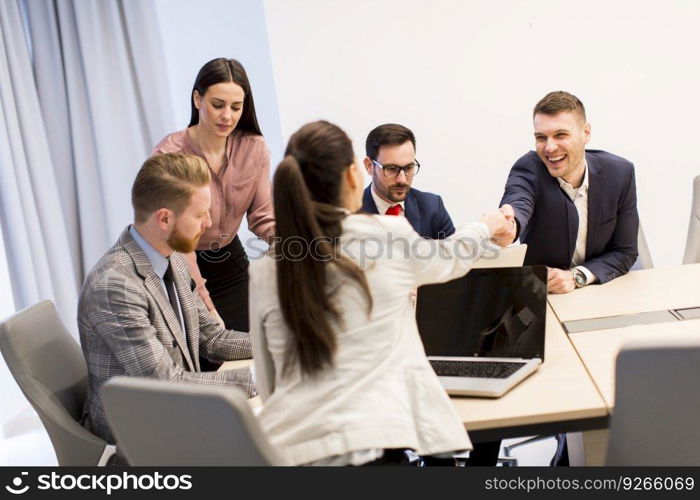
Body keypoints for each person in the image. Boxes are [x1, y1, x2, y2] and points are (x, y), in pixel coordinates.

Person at [249, 120, 512, 466]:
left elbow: (268, 381)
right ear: (354, 175)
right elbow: (448, 258)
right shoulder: (385, 236)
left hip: (287, 450)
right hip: (368, 446)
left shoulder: (267, 267)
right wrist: (486, 225)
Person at [78, 153, 256, 451]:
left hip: (178, 415)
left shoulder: (172, 255)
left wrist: (282, 344)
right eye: (201, 215)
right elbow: (167, 386)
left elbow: (212, 339)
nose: (209, 223)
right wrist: (259, 378)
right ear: (164, 218)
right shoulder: (115, 286)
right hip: (141, 440)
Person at [152, 58, 274, 335]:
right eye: (218, 105)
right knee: (207, 360)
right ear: (197, 99)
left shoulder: (254, 148)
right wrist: (204, 302)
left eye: (236, 107)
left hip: (230, 262)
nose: (227, 116)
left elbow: (264, 217)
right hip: (181, 264)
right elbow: (179, 240)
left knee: (254, 348)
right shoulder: (169, 155)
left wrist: (300, 251)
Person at [499, 91, 639, 294]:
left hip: (601, 291)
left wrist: (577, 276)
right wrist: (510, 225)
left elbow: (625, 252)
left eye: (560, 135)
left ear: (586, 133)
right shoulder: (529, 168)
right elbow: (518, 201)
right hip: (545, 296)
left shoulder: (620, 174)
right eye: (541, 137)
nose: (549, 147)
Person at [361, 123, 454, 239]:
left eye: (408, 168)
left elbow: (454, 255)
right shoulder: (348, 213)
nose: (402, 179)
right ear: (369, 166)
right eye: (391, 169)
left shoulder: (433, 207)